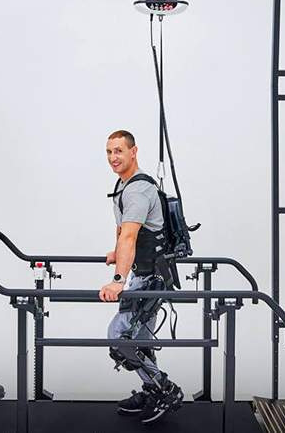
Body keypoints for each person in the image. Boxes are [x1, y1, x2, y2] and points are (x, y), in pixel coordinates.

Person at [99, 129, 183, 424]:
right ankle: (152, 390)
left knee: (119, 338)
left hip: (150, 278)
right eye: (109, 152)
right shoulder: (124, 185)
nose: (113, 157)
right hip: (144, 273)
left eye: (119, 151)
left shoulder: (137, 190)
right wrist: (117, 252)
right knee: (141, 340)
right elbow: (123, 231)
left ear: (133, 152)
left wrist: (117, 281)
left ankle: (165, 390)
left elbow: (130, 236)